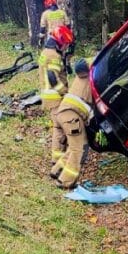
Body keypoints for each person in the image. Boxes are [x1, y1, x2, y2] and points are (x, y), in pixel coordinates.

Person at [50, 57, 93, 189]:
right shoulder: (96, 64)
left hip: (66, 112)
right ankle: (65, 182)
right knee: (78, 149)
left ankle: (57, 170)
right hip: (72, 115)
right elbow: (80, 65)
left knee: (78, 144)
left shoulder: (91, 73)